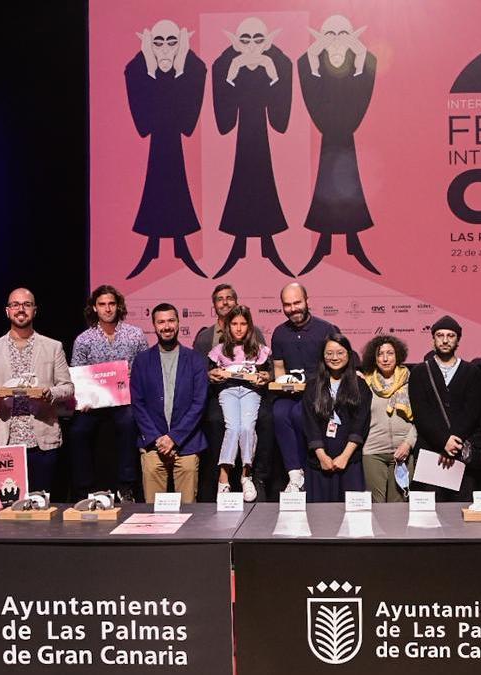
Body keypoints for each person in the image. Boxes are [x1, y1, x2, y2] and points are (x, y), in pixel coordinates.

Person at [211, 17, 296, 278]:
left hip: (261, 140)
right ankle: (238, 244)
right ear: (236, 41)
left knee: (262, 178)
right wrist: (233, 74)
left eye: (258, 39)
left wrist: (271, 74)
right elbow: (224, 122)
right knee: (243, 179)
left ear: (267, 40)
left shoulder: (278, 63)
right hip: (243, 140)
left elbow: (280, 120)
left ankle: (268, 244)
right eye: (244, 39)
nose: (250, 46)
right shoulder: (226, 64)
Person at [296, 14, 381, 276]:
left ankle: (351, 242)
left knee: (347, 184)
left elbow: (358, 105)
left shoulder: (359, 62)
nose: (335, 41)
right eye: (329, 34)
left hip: (344, 139)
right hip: (330, 140)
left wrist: (359, 62)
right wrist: (311, 60)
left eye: (342, 34)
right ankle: (325, 243)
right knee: (329, 185)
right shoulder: (314, 63)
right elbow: (315, 104)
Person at [124, 19, 208, 279]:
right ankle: (153, 245)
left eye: (172, 42)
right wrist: (150, 68)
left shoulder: (193, 66)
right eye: (157, 42)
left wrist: (181, 66)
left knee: (175, 179)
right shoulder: (138, 68)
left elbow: (187, 123)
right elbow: (144, 124)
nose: (164, 48)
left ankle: (180, 244)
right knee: (157, 181)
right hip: (157, 145)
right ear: (149, 43)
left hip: (174, 145)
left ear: (181, 43)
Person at [0, 289, 74, 493]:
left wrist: (50, 393)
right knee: (9, 506)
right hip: (6, 442)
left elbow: (68, 388)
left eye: (26, 304)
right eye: (15, 305)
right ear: (7, 311)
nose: (21, 309)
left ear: (34, 311)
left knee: (42, 503)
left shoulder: (53, 347)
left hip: (42, 440)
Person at [69, 285, 149, 501]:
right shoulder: (84, 339)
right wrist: (83, 399)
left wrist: (134, 375)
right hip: (94, 404)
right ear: (94, 308)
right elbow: (77, 374)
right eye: (102, 304)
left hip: (125, 400)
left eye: (111, 304)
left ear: (118, 306)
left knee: (128, 423)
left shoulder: (135, 334)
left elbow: (146, 367)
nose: (107, 309)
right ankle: (84, 489)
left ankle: (126, 486)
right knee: (78, 431)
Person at [192, 284, 271, 501]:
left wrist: (266, 377)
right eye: (220, 299)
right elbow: (201, 371)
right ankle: (223, 478)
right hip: (224, 393)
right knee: (231, 427)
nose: (238, 328)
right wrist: (211, 374)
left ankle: (247, 475)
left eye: (243, 324)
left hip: (250, 393)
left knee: (247, 427)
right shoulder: (209, 341)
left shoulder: (257, 344)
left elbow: (267, 372)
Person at [130, 303, 208, 503]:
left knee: (189, 512)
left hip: (187, 444)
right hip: (153, 444)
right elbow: (138, 404)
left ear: (178, 323)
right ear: (154, 326)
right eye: (161, 322)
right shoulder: (142, 360)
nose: (166, 326)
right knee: (153, 513)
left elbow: (199, 404)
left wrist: (174, 438)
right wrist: (158, 439)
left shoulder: (196, 360)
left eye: (171, 320)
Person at [270, 283, 341, 492]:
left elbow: (338, 363)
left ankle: (307, 473)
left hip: (319, 394)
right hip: (290, 393)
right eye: (287, 305)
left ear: (307, 301)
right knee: (279, 412)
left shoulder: (326, 329)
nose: (293, 308)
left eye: (297, 303)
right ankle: (295, 475)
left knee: (300, 415)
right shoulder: (279, 333)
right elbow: (279, 368)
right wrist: (284, 384)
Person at [408, 316, 481, 501]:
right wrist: (443, 441)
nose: (445, 339)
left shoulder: (472, 371)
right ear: (433, 338)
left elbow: (473, 411)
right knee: (430, 514)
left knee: (461, 512)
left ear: (458, 339)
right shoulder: (420, 372)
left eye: (450, 335)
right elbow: (421, 413)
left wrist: (453, 442)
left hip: (461, 454)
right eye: (440, 335)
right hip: (431, 453)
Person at [302, 334, 371, 502]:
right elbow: (309, 423)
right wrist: (322, 456)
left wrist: (345, 457)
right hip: (319, 463)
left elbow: (360, 422)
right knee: (321, 519)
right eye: (329, 353)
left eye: (340, 353)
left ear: (348, 354)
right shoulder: (312, 386)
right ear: (323, 356)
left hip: (350, 462)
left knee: (353, 520)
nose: (334, 358)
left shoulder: (360, 385)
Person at [359, 335, 417, 503]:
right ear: (374, 358)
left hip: (403, 452)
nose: (385, 358)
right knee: (375, 506)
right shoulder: (365, 382)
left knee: (397, 507)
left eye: (390, 353)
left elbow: (420, 418)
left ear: (397, 355)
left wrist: (408, 443)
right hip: (373, 452)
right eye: (380, 354)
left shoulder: (411, 380)